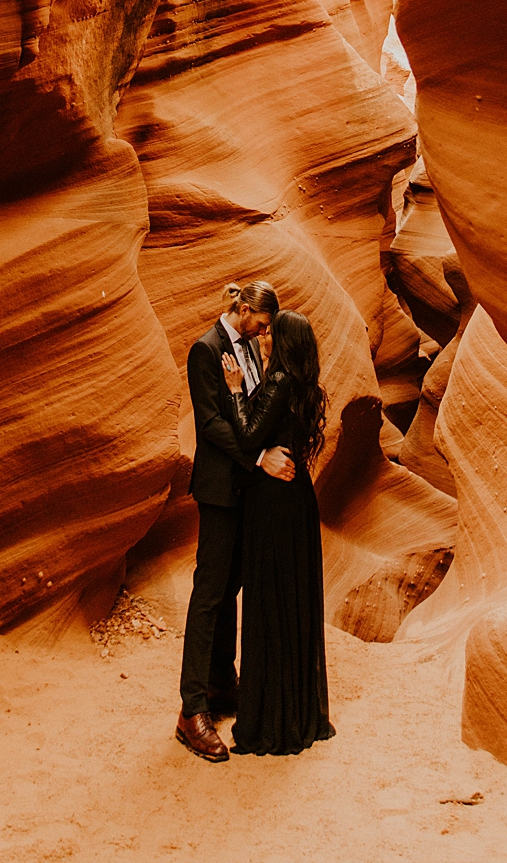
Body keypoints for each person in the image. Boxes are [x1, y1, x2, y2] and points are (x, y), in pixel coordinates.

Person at [175, 281, 295, 762]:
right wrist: (260, 456)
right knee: (209, 594)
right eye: (262, 323)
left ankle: (223, 684)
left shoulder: (247, 349)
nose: (265, 332)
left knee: (231, 589)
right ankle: (191, 710)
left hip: (245, 491)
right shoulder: (204, 351)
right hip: (221, 490)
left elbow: (249, 407)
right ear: (243, 310)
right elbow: (212, 426)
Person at [221, 309, 335, 756]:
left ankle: (271, 719)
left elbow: (248, 436)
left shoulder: (279, 381)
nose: (264, 335)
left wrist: (234, 392)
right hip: (297, 500)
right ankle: (298, 710)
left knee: (270, 600)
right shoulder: (305, 385)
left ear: (284, 341)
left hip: (272, 501)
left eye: (272, 331)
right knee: (293, 600)